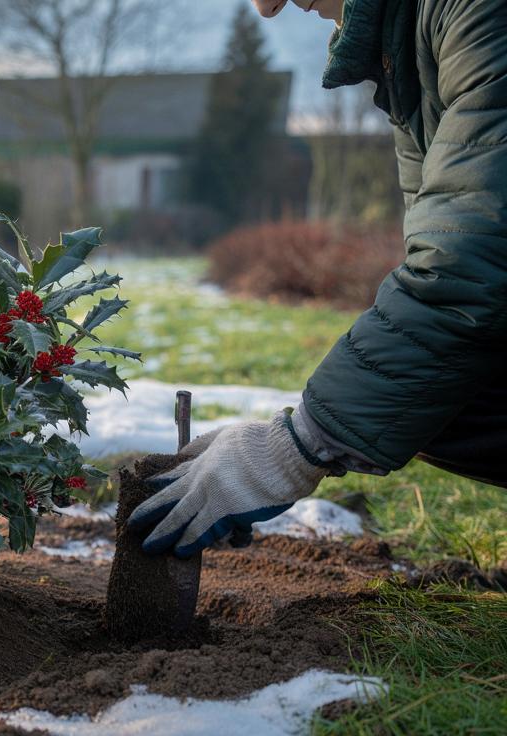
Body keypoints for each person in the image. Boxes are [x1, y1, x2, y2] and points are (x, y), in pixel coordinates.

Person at [128, 0, 507, 558]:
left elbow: (470, 262)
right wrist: (308, 431)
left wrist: (300, 443)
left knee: (424, 393)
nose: (266, 8)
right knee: (426, 399)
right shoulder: (409, 52)